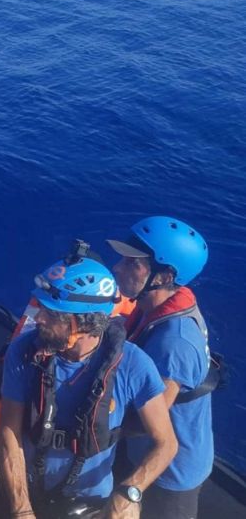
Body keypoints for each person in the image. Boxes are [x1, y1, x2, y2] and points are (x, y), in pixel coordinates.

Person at [0, 254, 177, 519]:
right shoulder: (23, 352)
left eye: (53, 314)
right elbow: (9, 433)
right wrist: (21, 509)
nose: (40, 319)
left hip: (89, 505)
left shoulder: (134, 365)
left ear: (86, 322)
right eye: (41, 308)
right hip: (22, 493)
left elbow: (166, 444)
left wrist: (130, 491)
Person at [108, 217, 214, 518]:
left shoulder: (174, 342)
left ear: (164, 276)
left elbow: (149, 424)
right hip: (138, 453)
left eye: (132, 264)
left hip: (169, 476)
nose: (118, 268)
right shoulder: (152, 309)